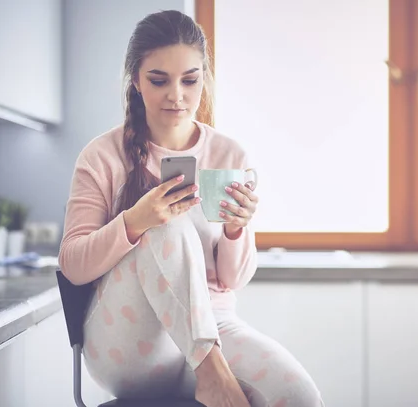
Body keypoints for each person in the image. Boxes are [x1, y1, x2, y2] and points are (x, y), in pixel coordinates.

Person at [59, 9, 324, 407]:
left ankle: (208, 367)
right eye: (159, 80)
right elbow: (74, 265)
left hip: (215, 326)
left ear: (204, 79)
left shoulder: (228, 153)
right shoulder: (101, 156)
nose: (177, 95)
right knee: (165, 225)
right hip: (131, 341)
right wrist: (135, 221)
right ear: (135, 81)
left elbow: (232, 280)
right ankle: (212, 373)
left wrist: (237, 229)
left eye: (190, 79)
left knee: (299, 396)